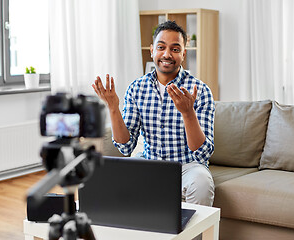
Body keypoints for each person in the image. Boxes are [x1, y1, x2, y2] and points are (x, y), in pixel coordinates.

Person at [92, 20, 215, 206]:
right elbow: (126, 146)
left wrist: (188, 113)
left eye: (175, 49)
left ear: (183, 53)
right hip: (150, 162)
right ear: (152, 51)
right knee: (110, 179)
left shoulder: (200, 90)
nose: (167, 54)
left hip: (188, 166)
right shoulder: (136, 88)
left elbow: (202, 153)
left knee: (202, 185)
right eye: (161, 47)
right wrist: (113, 107)